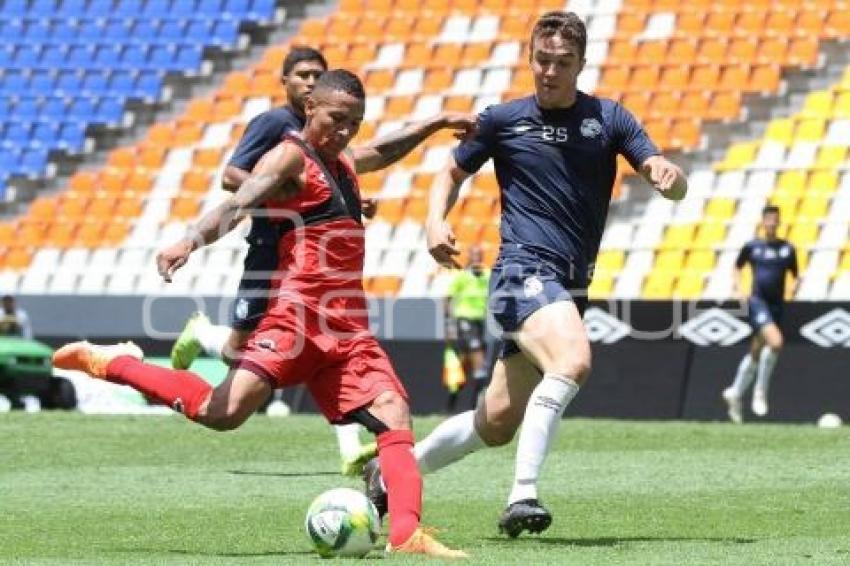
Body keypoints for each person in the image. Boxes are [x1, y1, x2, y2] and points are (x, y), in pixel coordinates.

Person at [53, 69, 470, 558]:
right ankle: (115, 363)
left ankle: (405, 536)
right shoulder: (290, 157)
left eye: (354, 122)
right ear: (310, 107)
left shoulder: (343, 160)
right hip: (296, 321)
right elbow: (239, 203)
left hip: (348, 329)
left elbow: (383, 150)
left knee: (394, 412)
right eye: (337, 119)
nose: (345, 131)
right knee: (221, 412)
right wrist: (190, 239)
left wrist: (437, 122)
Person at [364, 11, 688, 538]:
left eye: (562, 62)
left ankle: (387, 477)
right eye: (542, 60)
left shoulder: (610, 119)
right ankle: (523, 495)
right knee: (574, 359)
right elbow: (450, 171)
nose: (550, 71)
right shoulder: (502, 121)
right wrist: (433, 221)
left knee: (493, 423)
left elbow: (666, 178)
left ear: (581, 63)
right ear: (529, 58)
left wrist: (667, 177)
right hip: (522, 271)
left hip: (569, 285)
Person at [169, 47, 375, 475]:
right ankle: (205, 333)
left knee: (323, 346)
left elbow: (357, 164)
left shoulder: (329, 137)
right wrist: (279, 191)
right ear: (286, 82)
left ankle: (350, 445)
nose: (308, 81)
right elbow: (232, 177)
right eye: (301, 75)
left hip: (302, 260)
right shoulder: (275, 126)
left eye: (316, 75)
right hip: (267, 249)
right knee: (238, 355)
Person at [722, 205, 798, 423]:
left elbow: (795, 274)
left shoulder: (787, 249)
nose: (772, 223)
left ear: (779, 222)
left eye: (776, 219)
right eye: (769, 219)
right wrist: (738, 289)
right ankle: (760, 391)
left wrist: (794, 288)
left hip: (776, 306)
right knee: (775, 342)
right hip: (757, 302)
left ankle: (735, 393)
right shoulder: (752, 246)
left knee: (756, 351)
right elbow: (736, 267)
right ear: (763, 222)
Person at [444, 244, 490, 412]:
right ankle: (475, 408)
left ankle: (451, 406)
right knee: (480, 362)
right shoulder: (462, 276)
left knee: (465, 367)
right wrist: (449, 324)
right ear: (469, 258)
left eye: (480, 256)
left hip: (479, 323)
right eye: (474, 256)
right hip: (464, 321)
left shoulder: (487, 276)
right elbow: (448, 298)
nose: (477, 259)